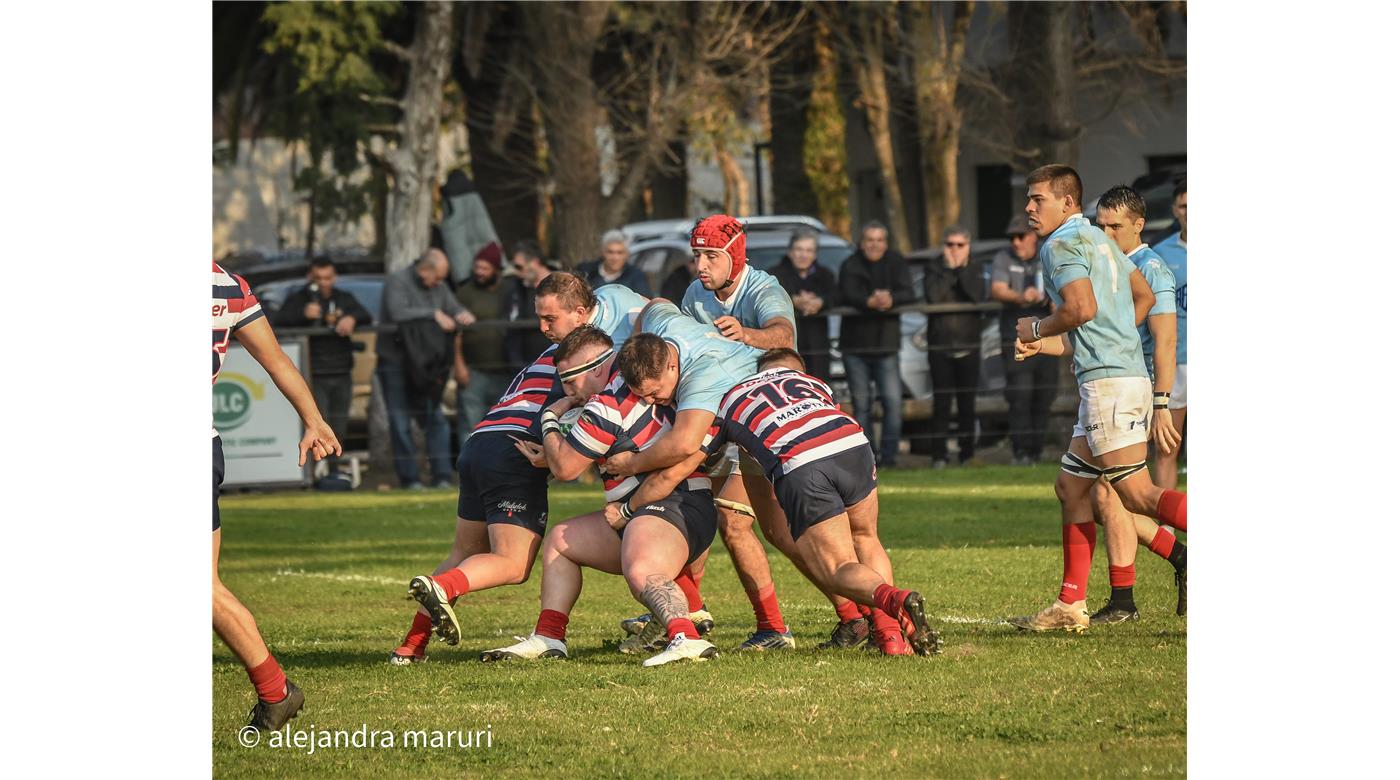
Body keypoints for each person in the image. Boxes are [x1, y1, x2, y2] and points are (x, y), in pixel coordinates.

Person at [392, 274, 649, 663]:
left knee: (465, 549)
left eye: (551, 319)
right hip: (513, 453)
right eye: (540, 318)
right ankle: (441, 586)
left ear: (581, 314)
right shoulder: (586, 360)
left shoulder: (548, 357)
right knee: (512, 564)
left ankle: (411, 646)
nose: (544, 329)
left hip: (479, 443)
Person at [621, 348, 942, 656]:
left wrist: (629, 502)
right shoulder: (813, 383)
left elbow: (681, 465)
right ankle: (891, 639)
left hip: (803, 464)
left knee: (838, 568)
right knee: (867, 538)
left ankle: (896, 601)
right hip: (854, 445)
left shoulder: (728, 399)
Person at [1005, 164, 1188, 633]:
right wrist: (1111, 339)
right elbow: (1139, 294)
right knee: (1071, 488)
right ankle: (1071, 605)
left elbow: (1081, 308)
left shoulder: (1062, 243)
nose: (1028, 207)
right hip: (1111, 380)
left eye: (1037, 199)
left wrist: (1037, 327)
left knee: (1137, 495)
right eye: (1028, 198)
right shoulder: (1098, 239)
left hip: (1110, 386)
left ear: (1067, 203)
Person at [481, 326, 718, 667]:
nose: (567, 391)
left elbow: (565, 469)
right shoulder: (631, 381)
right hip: (669, 506)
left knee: (642, 567)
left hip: (673, 504)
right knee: (561, 542)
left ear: (595, 369)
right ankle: (550, 636)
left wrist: (549, 418)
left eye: (570, 381)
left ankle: (686, 638)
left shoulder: (607, 405)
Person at [673, 213, 849, 653]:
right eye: (697, 256)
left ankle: (841, 616)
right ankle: (687, 613)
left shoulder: (765, 288)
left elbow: (784, 335)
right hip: (722, 419)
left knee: (752, 526)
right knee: (702, 509)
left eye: (711, 256)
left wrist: (747, 334)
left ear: (734, 256)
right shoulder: (696, 293)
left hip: (765, 420)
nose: (701, 266)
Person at [213, 262, 341, 731]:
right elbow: (277, 360)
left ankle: (276, 690)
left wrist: (314, 419)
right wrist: (312, 418)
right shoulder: (228, 284)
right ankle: (275, 691)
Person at [1089, 184, 1187, 622]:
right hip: (1111, 386)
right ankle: (1180, 561)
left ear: (1139, 226)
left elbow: (1166, 341)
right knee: (1103, 495)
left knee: (1117, 494)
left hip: (1137, 391)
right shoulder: (1108, 265)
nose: (1106, 233)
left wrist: (1162, 402)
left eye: (1116, 226)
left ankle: (1125, 599)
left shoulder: (1152, 268)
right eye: (1101, 225)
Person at [377, 249, 475, 489]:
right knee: (400, 421)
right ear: (424, 270)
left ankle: (442, 475)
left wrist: (462, 314)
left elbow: (453, 306)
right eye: (437, 277)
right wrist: (433, 314)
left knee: (436, 418)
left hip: (428, 365)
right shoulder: (397, 281)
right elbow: (398, 312)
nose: (439, 283)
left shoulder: (438, 286)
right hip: (396, 361)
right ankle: (410, 478)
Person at [270, 256, 372, 472]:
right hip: (311, 371)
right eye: (318, 278)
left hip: (341, 369)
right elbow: (276, 321)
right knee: (315, 423)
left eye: (328, 277)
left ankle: (333, 471)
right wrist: (302, 315)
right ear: (310, 277)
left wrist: (351, 318)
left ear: (334, 277)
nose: (323, 282)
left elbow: (366, 314)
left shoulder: (344, 298)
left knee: (340, 424)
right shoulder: (298, 298)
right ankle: (314, 473)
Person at [838, 221, 915, 466]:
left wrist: (890, 299)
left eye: (879, 239)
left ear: (886, 242)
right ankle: (867, 458)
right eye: (870, 240)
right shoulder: (850, 264)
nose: (875, 244)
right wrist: (868, 301)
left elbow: (909, 292)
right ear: (862, 242)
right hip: (855, 347)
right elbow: (846, 292)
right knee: (862, 406)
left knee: (893, 402)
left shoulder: (896, 262)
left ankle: (890, 457)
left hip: (886, 345)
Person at [989, 215, 1057, 464]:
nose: (1015, 242)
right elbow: (997, 288)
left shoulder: (1047, 254)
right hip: (1015, 337)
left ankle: (1036, 451)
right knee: (1020, 395)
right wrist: (1021, 296)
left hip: (1047, 335)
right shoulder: (1003, 257)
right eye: (1011, 237)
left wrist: (1054, 301)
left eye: (1020, 236)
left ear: (1033, 236)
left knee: (1045, 394)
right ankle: (1021, 452)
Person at [924, 226, 984, 468]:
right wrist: (950, 271)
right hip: (940, 346)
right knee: (941, 403)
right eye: (950, 244)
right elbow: (933, 296)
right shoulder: (934, 267)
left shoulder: (976, 267)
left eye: (960, 245)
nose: (955, 249)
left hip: (969, 345)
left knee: (967, 403)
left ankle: (966, 454)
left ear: (968, 246)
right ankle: (939, 456)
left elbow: (976, 295)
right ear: (943, 246)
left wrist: (961, 270)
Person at [453, 242, 514, 443]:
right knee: (470, 425)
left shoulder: (509, 290)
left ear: (497, 270)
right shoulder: (465, 292)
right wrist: (459, 365)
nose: (479, 272)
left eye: (485, 268)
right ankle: (469, 471)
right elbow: (456, 332)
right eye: (477, 267)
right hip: (474, 371)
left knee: (502, 426)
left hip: (505, 371)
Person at [1151, 180, 1188, 489]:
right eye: (1185, 206)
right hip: (1174, 361)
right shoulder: (1161, 254)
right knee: (1166, 448)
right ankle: (1166, 530)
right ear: (1176, 210)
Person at [768, 228, 837, 384]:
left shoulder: (826, 275)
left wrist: (820, 302)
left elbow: (837, 295)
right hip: (787, 345)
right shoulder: (774, 275)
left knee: (819, 387)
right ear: (790, 251)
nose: (803, 255)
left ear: (815, 254)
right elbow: (769, 296)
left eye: (808, 250)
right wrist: (792, 301)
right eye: (799, 249)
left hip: (818, 345)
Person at [506, 240, 554, 367]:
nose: (517, 272)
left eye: (519, 267)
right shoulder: (517, 289)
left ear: (535, 262)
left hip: (557, 362)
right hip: (526, 364)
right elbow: (512, 327)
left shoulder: (562, 286)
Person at [575, 229, 653, 297]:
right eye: (610, 252)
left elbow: (644, 304)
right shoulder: (586, 271)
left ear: (626, 254)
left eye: (620, 253)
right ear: (602, 252)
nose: (615, 258)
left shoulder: (636, 276)